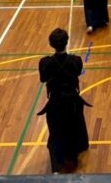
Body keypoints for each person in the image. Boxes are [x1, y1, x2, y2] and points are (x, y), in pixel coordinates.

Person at [36, 28, 90, 174]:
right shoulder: (75, 60)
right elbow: (77, 72)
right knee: (74, 128)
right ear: (67, 42)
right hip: (72, 102)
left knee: (56, 132)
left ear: (51, 44)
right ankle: (74, 156)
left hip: (55, 103)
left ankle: (57, 164)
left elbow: (43, 79)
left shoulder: (45, 63)